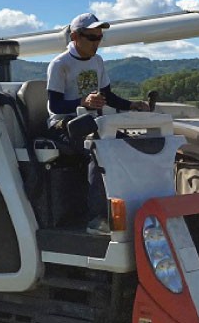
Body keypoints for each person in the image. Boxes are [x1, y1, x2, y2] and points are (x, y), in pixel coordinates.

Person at [46, 12, 148, 235]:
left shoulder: (97, 61)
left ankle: (130, 208)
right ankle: (96, 218)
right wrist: (82, 102)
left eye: (99, 38)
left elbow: (107, 96)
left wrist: (132, 105)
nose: (97, 43)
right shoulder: (60, 64)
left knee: (126, 144)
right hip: (63, 125)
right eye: (92, 37)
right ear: (75, 36)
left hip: (91, 123)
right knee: (98, 149)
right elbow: (55, 106)